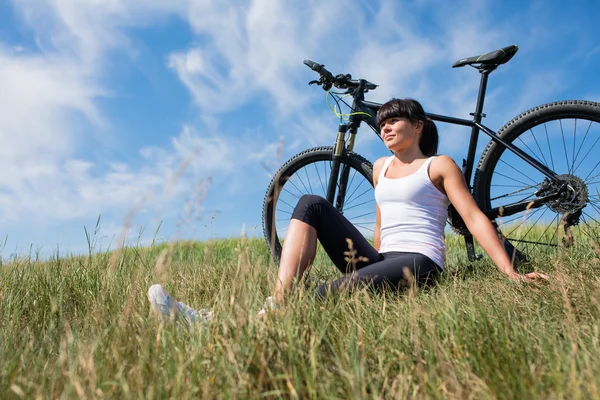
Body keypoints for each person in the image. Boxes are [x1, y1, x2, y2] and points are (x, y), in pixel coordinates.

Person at [148, 98, 547, 324]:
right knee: (311, 204)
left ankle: (216, 327)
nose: (385, 127)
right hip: (382, 258)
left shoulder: (439, 165)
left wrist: (510, 273)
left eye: (394, 120)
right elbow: (379, 229)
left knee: (326, 295)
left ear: (419, 125)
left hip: (420, 263)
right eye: (382, 123)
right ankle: (277, 302)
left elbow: (474, 218)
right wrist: (370, 260)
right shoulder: (379, 168)